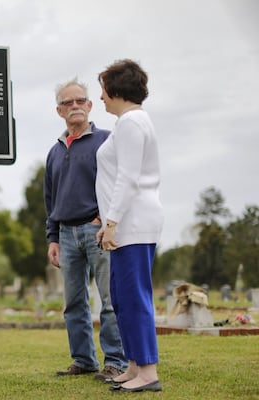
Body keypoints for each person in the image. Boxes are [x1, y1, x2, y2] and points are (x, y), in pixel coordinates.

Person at [44, 78, 127, 381]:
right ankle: (83, 359)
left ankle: (115, 361)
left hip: (97, 233)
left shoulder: (106, 140)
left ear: (90, 105)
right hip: (66, 235)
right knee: (74, 303)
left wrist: (106, 219)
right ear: (59, 110)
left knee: (109, 301)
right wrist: (52, 238)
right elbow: (50, 199)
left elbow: (120, 182)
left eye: (80, 100)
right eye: (68, 102)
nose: (75, 106)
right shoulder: (53, 151)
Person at [95, 59, 163, 393]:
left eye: (103, 90)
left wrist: (112, 221)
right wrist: (107, 222)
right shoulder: (127, 123)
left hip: (134, 223)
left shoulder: (133, 122)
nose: (102, 97)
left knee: (134, 297)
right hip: (123, 224)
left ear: (117, 88)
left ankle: (148, 372)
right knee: (121, 298)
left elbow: (128, 177)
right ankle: (134, 366)